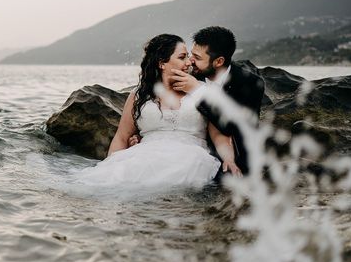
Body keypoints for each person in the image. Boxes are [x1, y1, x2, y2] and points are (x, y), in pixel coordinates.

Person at [65, 34, 240, 196]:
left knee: (169, 187)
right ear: (162, 63)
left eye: (188, 56)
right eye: (182, 57)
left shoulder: (202, 91)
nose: (189, 62)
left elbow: (219, 134)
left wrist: (229, 159)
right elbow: (122, 136)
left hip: (191, 156)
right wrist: (110, 164)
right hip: (145, 155)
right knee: (102, 187)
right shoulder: (139, 95)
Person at [167, 26, 265, 175]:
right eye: (191, 54)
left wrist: (197, 91)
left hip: (233, 155)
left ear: (218, 61)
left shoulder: (250, 83)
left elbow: (233, 127)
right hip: (190, 147)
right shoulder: (191, 74)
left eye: (198, 58)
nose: (190, 61)